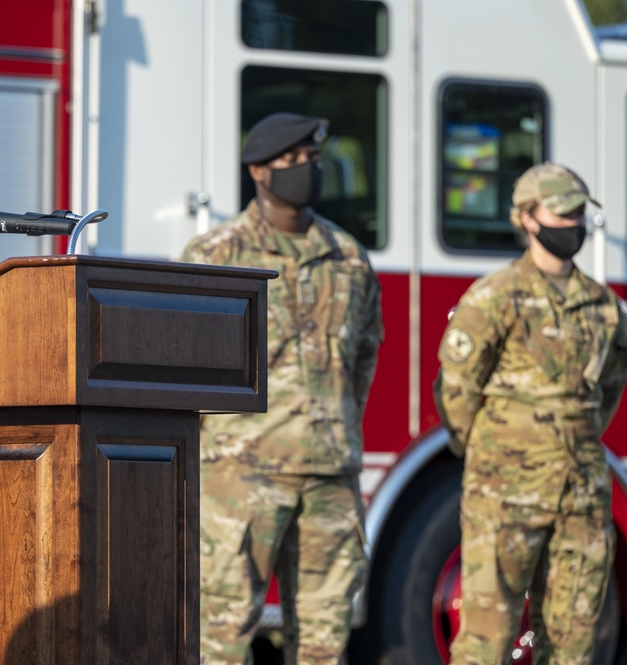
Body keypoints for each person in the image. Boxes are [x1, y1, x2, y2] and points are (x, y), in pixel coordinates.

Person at [179, 112, 384, 664]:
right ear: (258, 171)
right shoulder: (215, 255)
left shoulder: (350, 258)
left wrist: (335, 430)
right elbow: (184, 369)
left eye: (313, 160)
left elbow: (362, 359)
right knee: (219, 640)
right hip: (240, 480)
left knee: (324, 646)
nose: (307, 170)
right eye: (292, 162)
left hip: (330, 480)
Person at [435, 162, 627, 664]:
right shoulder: (495, 297)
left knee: (573, 643)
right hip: (504, 494)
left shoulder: (603, 306)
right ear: (526, 217)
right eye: (560, 212)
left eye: (579, 214)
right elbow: (456, 387)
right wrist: (484, 450)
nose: (573, 224)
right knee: (486, 639)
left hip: (581, 497)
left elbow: (608, 389)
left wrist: (571, 442)